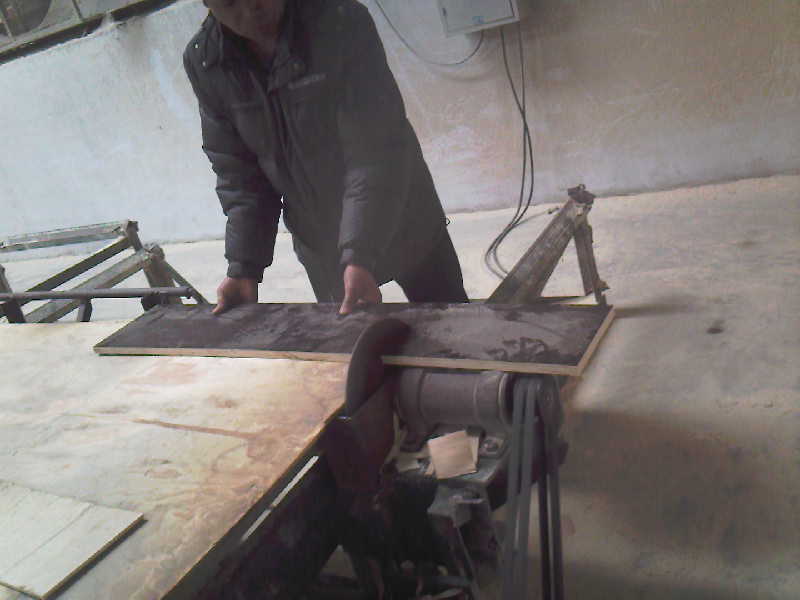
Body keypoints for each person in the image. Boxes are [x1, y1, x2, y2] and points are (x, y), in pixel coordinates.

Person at [184, 0, 469, 315]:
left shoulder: (339, 21)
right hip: (322, 241)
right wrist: (243, 267)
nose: (252, 5)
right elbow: (240, 177)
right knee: (346, 337)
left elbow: (375, 150)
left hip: (406, 217)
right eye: (229, 1)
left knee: (452, 323)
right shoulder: (206, 62)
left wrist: (359, 251)